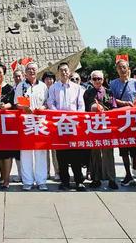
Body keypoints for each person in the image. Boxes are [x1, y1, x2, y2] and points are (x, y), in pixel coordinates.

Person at [47, 62, 87, 191]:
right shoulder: (53, 88)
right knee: (62, 155)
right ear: (58, 72)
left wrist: (76, 117)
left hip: (74, 124)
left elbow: (81, 105)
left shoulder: (77, 88)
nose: (64, 72)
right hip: (59, 124)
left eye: (66, 70)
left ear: (69, 72)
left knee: (76, 155)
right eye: (61, 70)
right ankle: (64, 181)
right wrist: (58, 114)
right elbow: (50, 103)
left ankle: (79, 181)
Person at [109, 59, 136, 187]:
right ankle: (128, 174)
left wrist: (135, 106)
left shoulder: (135, 83)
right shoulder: (113, 84)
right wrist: (123, 104)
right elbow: (111, 100)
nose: (122, 70)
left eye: (124, 67)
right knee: (124, 150)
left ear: (128, 68)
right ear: (117, 70)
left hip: (135, 121)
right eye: (120, 68)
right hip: (121, 121)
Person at [15, 61, 48, 191]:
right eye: (29, 69)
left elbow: (47, 102)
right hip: (26, 121)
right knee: (26, 152)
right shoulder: (21, 86)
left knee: (41, 152)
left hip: (40, 121)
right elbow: (16, 103)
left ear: (37, 71)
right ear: (25, 72)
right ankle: (27, 181)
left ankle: (41, 181)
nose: (32, 71)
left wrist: (42, 107)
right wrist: (24, 108)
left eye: (34, 69)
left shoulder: (43, 86)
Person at [83, 70, 118, 190]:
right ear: (91, 80)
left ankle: (112, 179)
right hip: (93, 127)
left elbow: (114, 108)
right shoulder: (87, 93)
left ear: (103, 80)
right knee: (95, 153)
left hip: (107, 126)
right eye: (95, 79)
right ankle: (96, 178)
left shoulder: (109, 92)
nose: (97, 81)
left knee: (108, 153)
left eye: (99, 79)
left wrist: (104, 110)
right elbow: (83, 110)